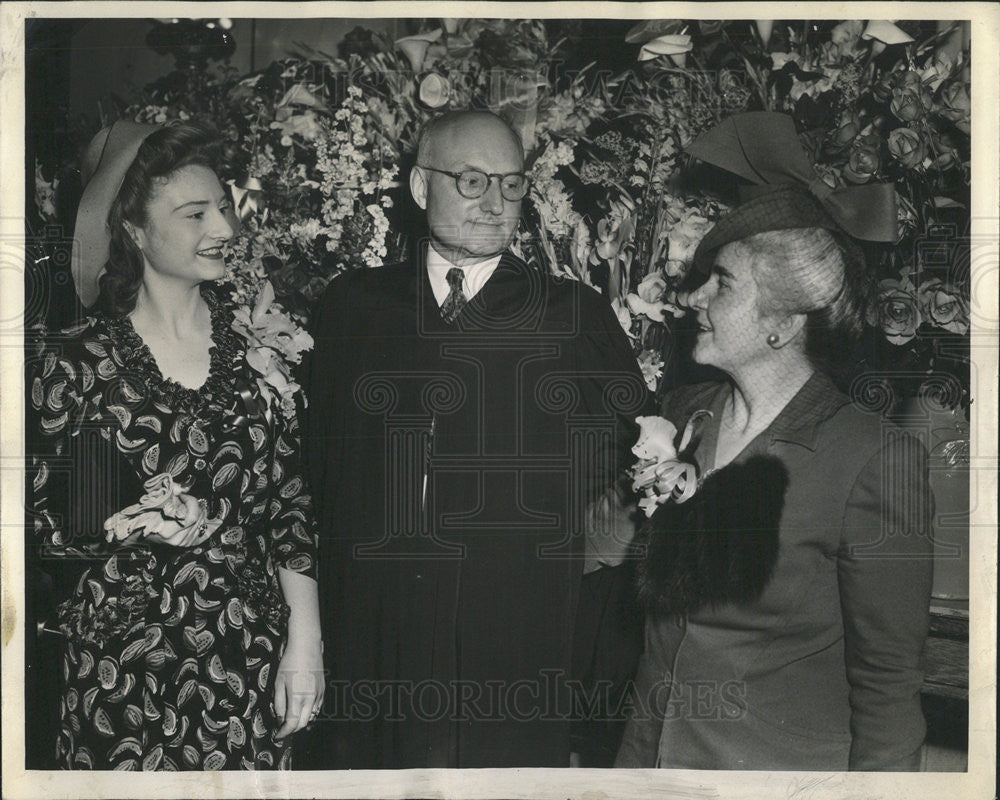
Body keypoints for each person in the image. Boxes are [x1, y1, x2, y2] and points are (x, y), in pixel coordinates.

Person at [300, 110, 646, 768]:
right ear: (419, 186)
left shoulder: (574, 318)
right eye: (471, 181)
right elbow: (316, 471)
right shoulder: (354, 307)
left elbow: (630, 474)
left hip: (510, 641)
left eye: (512, 184)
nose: (495, 203)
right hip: (372, 634)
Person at [615, 113, 934, 771]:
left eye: (722, 283)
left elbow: (889, 693)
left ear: (783, 323)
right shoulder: (683, 414)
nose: (693, 297)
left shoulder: (874, 460)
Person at [27, 120, 323, 770]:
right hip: (122, 670)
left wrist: (307, 642)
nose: (222, 229)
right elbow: (47, 524)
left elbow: (290, 511)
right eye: (195, 213)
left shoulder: (256, 358)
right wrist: (138, 512)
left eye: (222, 208)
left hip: (246, 657)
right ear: (135, 229)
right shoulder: (80, 365)